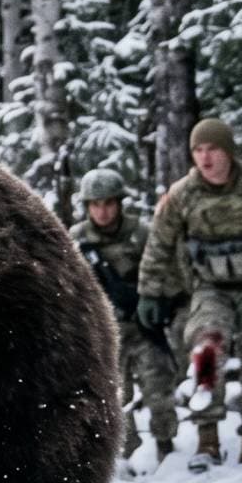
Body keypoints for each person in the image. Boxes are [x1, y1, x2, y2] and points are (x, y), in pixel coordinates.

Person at [139, 118, 242, 472]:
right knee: (205, 348)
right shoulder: (182, 194)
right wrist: (149, 293)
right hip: (210, 289)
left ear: (228, 151)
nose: (205, 157)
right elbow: (158, 245)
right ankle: (207, 437)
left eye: (212, 149)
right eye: (198, 150)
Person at [72, 168, 177, 464]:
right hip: (104, 331)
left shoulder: (141, 233)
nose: (102, 211)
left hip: (143, 326)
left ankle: (166, 444)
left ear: (119, 203)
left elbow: (164, 271)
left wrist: (155, 304)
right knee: (114, 395)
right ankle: (125, 453)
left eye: (108, 203)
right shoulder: (78, 239)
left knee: (158, 387)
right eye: (95, 204)